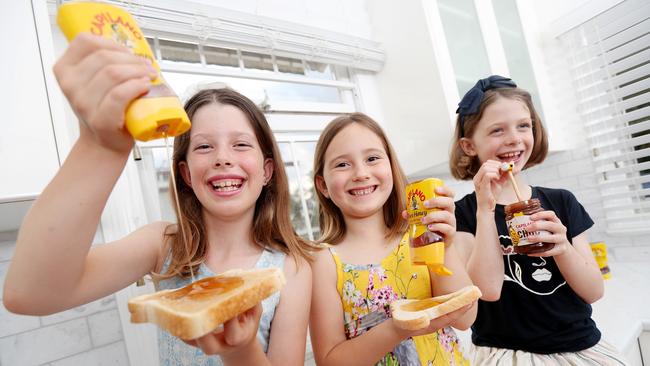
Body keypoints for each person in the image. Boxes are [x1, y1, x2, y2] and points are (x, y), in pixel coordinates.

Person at [3, 34, 312, 366]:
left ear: (267, 171)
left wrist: (238, 348)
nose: (222, 158)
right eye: (204, 147)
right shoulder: (164, 245)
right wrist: (99, 148)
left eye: (240, 144)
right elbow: (30, 294)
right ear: (186, 174)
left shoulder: (291, 268)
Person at [450, 75, 628, 364]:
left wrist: (562, 248)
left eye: (523, 126)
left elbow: (594, 291)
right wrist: (486, 210)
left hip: (580, 346)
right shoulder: (465, 213)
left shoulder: (561, 201)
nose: (514, 138)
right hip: (505, 352)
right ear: (469, 146)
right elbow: (488, 291)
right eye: (497, 130)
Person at [309, 112, 476, 365]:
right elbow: (330, 360)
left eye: (372, 158)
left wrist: (446, 246)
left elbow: (465, 317)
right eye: (342, 164)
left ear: (391, 166)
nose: (361, 173)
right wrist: (399, 328)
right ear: (322, 185)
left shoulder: (418, 235)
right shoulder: (323, 261)